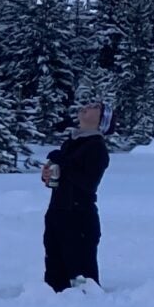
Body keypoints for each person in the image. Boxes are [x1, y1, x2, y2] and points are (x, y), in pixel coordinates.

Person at [40, 101, 110, 292]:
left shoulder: (97, 148)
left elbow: (87, 183)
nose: (87, 106)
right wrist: (47, 176)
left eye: (96, 107)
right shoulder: (71, 143)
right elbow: (63, 178)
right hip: (57, 212)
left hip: (79, 217)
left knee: (82, 279)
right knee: (55, 277)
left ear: (101, 120)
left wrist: (63, 162)